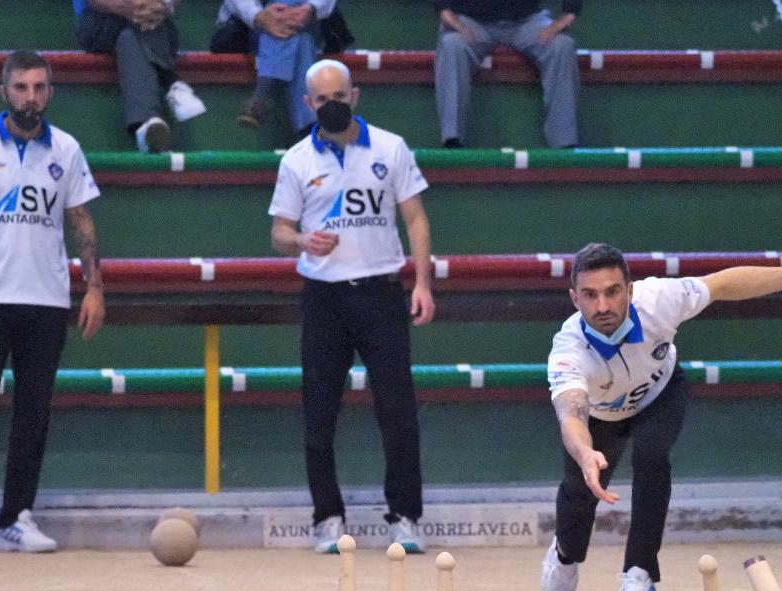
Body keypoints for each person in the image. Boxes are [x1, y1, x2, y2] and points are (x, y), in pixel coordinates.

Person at [541, 242, 782, 591]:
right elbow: (571, 412)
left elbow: (723, 284)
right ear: (575, 299)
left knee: (651, 457)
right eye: (590, 295)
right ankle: (564, 556)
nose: (602, 305)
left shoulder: (660, 299)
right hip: (601, 416)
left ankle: (639, 575)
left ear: (630, 290)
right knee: (579, 492)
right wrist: (585, 452)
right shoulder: (568, 349)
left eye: (612, 291)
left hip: (659, 395)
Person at [267, 59, 436, 555]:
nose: (332, 105)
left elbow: (416, 219)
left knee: (398, 410)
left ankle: (405, 517)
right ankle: (327, 517)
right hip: (324, 298)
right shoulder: (296, 160)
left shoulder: (390, 147)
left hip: (382, 292)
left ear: (354, 96)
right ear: (308, 104)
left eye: (339, 96)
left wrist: (422, 283)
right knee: (319, 412)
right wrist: (301, 240)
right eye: (322, 99)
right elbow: (278, 233)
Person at [0, 50, 106, 552]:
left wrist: (94, 287)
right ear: (3, 92)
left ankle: (16, 517)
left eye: (39, 87)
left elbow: (81, 221)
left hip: (47, 301)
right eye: (21, 87)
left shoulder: (66, 149)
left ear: (50, 92)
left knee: (33, 412)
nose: (30, 97)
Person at [433, 0, 581, 149]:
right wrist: (444, 9)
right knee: (452, 44)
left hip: (528, 20)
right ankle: (452, 140)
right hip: (471, 21)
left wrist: (570, 13)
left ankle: (564, 144)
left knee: (562, 46)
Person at [73, 0, 208, 153]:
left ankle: (147, 128)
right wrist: (131, 7)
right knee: (136, 31)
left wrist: (163, 5)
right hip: (102, 20)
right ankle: (172, 81)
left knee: (131, 36)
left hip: (156, 21)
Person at [211, 1, 343, 136]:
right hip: (245, 28)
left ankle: (262, 92)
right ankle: (310, 128)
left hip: (310, 22)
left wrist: (310, 8)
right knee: (301, 39)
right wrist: (258, 15)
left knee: (291, 15)